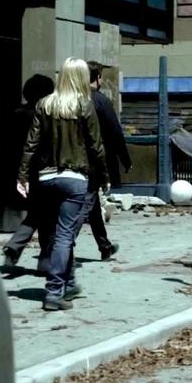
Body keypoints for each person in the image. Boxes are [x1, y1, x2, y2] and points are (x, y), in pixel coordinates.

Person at [17, 57, 109, 311]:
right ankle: (54, 290)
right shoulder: (84, 106)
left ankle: (68, 283)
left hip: (45, 178)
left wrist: (23, 176)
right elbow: (96, 147)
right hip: (75, 178)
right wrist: (104, 177)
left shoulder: (44, 105)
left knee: (55, 235)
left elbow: (30, 145)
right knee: (64, 236)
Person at [78, 61, 132, 260]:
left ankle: (104, 246)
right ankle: (64, 246)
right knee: (88, 200)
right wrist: (125, 159)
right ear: (98, 78)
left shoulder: (72, 100)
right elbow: (115, 133)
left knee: (92, 204)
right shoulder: (101, 101)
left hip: (73, 160)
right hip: (96, 161)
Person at [2, 74, 54, 268]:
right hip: (43, 170)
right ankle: (43, 258)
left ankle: (18, 248)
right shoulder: (45, 115)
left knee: (38, 212)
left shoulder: (17, 114)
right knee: (48, 216)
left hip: (22, 171)